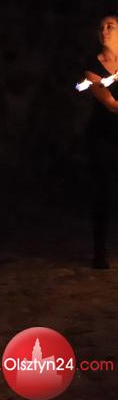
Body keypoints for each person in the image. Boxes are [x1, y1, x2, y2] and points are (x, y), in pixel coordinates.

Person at [82, 14, 118, 269]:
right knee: (103, 191)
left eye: (110, 26)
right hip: (104, 135)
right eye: (101, 27)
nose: (104, 30)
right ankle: (100, 252)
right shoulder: (91, 66)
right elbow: (111, 104)